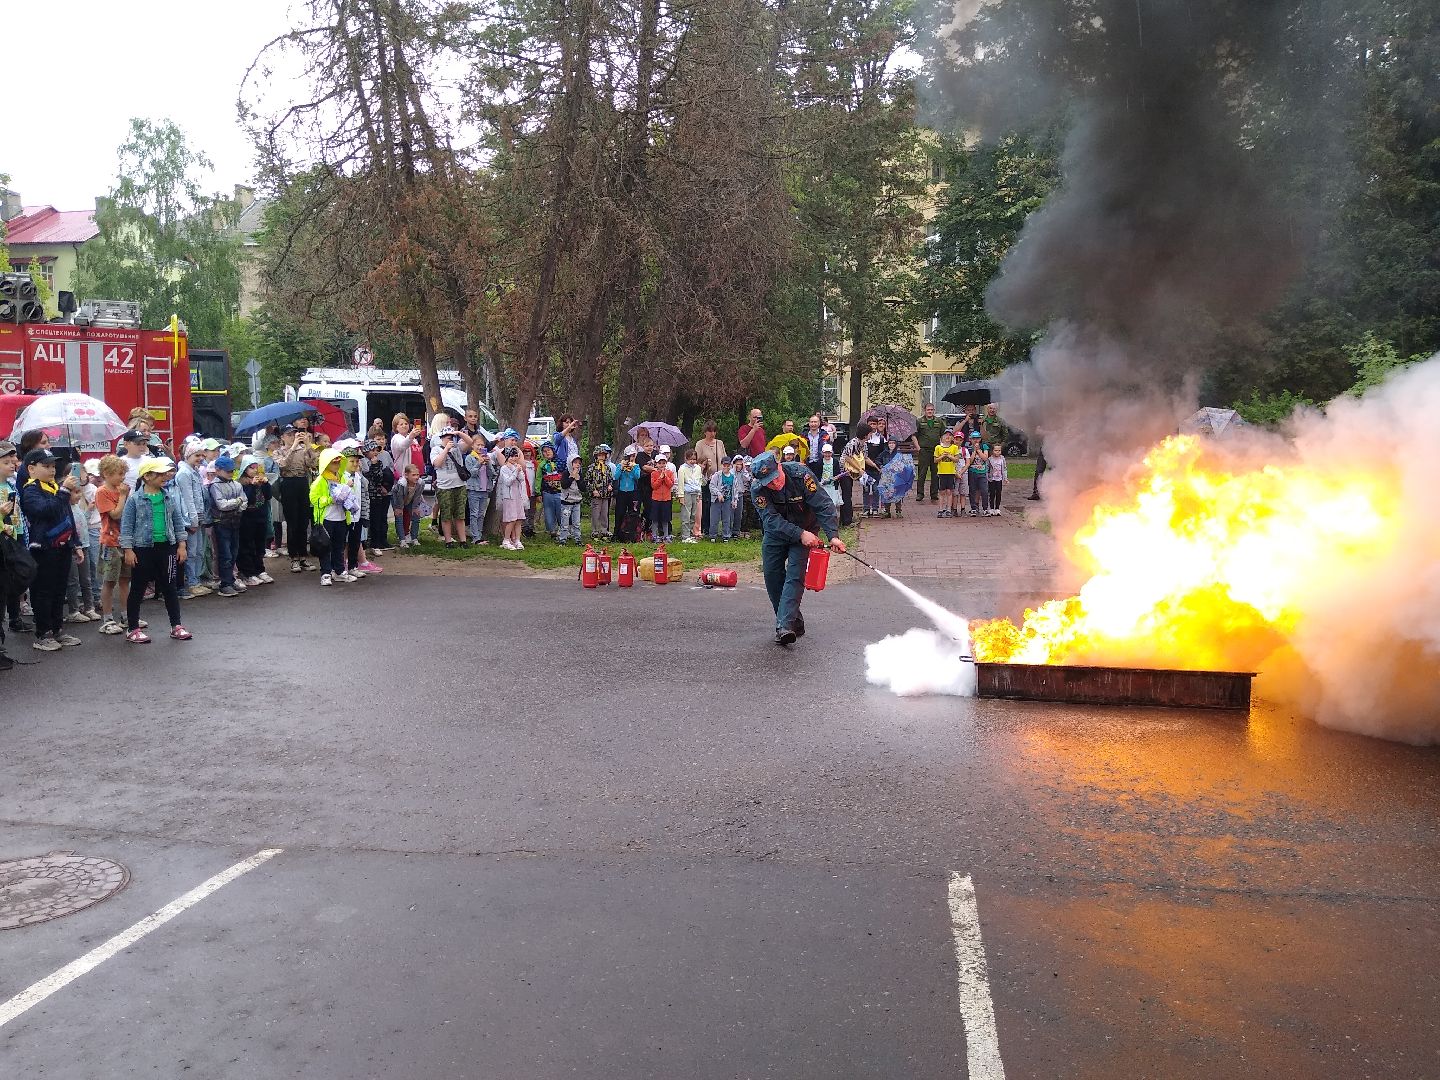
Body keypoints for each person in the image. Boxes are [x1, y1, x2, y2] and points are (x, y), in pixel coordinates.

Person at [747, 450, 845, 646]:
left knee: (794, 576)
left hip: (807, 528)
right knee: (772, 577)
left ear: (780, 466)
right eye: (769, 482)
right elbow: (771, 520)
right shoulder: (758, 488)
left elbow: (823, 504)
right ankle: (794, 622)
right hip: (777, 533)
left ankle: (784, 626)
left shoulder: (801, 475)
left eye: (775, 478)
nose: (774, 484)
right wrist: (799, 534)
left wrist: (832, 536)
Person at [19, 448, 85, 652]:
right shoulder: (30, 490)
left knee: (59, 590)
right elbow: (44, 511)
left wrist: (76, 543)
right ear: (31, 469)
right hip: (44, 548)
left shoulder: (56, 487)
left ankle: (57, 629)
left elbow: (68, 517)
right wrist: (64, 492)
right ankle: (42, 633)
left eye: (53, 466)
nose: (51, 470)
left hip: (63, 547)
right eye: (45, 466)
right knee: (44, 592)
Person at [119, 458, 191, 644]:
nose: (164, 476)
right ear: (147, 476)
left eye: (165, 473)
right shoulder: (135, 499)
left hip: (166, 547)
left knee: (170, 587)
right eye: (159, 474)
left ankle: (176, 625)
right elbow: (126, 527)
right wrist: (128, 550)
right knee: (138, 588)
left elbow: (178, 523)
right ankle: (133, 628)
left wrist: (181, 545)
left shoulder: (168, 497)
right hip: (142, 549)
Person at [93, 455, 133, 633]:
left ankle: (127, 615)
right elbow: (115, 515)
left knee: (126, 580)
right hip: (110, 542)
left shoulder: (121, 490)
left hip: (124, 541)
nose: (122, 478)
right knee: (109, 581)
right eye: (119, 474)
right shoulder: (102, 492)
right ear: (106, 474)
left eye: (124, 474)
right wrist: (123, 496)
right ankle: (108, 619)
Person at [274, 422, 318, 573]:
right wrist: (292, 448)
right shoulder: (279, 451)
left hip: (302, 482)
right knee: (292, 522)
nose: (293, 436)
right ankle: (294, 557)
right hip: (288, 483)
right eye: (289, 434)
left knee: (303, 521)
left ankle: (303, 555)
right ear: (282, 437)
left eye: (294, 434)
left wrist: (308, 445)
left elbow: (314, 463)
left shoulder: (303, 449)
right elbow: (282, 465)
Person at [310, 447, 354, 586]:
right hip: (326, 518)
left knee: (339, 546)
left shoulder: (342, 478)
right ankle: (326, 573)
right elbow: (313, 499)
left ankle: (339, 571)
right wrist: (330, 499)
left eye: (338, 462)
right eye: (334, 463)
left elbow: (347, 495)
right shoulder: (320, 481)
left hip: (341, 517)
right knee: (325, 547)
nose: (337, 465)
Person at [64, 459, 101, 622]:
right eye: (75, 493)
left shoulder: (79, 505)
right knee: (73, 580)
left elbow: (83, 522)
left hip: (84, 544)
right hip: (72, 547)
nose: (78, 496)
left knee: (86, 578)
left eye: (79, 493)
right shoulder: (64, 507)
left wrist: (89, 509)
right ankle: (74, 609)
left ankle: (90, 607)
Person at [175, 444, 212, 598]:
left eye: (202, 455)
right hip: (191, 518)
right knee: (192, 552)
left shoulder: (193, 472)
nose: (200, 459)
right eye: (197, 455)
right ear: (188, 455)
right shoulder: (184, 473)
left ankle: (195, 580)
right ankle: (192, 582)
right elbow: (187, 498)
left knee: (198, 551)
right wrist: (193, 520)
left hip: (198, 516)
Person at [208, 455, 247, 597]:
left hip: (235, 522)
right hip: (221, 523)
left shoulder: (236, 484)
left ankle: (230, 579)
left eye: (232, 471)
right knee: (225, 554)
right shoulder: (214, 486)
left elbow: (245, 501)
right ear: (217, 470)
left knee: (234, 552)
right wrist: (237, 502)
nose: (231, 473)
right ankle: (225, 583)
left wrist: (238, 504)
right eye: (228, 471)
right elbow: (222, 505)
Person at [431, 427, 473, 547]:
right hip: (444, 487)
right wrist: (446, 450)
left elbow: (470, 442)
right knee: (446, 515)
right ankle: (448, 541)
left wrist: (459, 433)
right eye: (449, 437)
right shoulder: (436, 449)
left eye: (453, 437)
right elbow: (437, 463)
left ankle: (463, 540)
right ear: (442, 438)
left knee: (460, 515)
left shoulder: (458, 448)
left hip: (460, 485)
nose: (451, 439)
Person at [0, 441, 22, 670]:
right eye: (5, 462)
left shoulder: (10, 487)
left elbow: (15, 519)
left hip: (9, 546)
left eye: (12, 461)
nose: (12, 465)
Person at [236, 457, 274, 585]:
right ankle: (248, 572)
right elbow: (248, 499)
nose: (255, 470)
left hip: (261, 516)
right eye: (251, 468)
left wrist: (266, 484)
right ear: (245, 469)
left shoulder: (261, 480)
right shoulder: (241, 483)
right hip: (247, 518)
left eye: (256, 467)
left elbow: (268, 496)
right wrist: (252, 485)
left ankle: (260, 569)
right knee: (248, 545)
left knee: (260, 545)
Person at [694, 422, 726, 536]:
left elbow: (724, 458)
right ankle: (705, 527)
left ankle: (716, 527)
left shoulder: (719, 443)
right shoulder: (700, 444)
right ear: (705, 432)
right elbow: (696, 460)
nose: (712, 433)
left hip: (719, 478)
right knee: (706, 503)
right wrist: (706, 466)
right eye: (710, 431)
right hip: (706, 478)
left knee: (717, 504)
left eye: (714, 431)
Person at [364, 439, 396, 551]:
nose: (375, 452)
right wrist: (372, 466)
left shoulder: (379, 462)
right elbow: (367, 478)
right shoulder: (362, 462)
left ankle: (380, 541)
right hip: (367, 495)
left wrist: (375, 465)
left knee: (380, 518)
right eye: (372, 450)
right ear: (366, 451)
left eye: (376, 450)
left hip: (377, 495)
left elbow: (378, 478)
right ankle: (372, 542)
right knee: (371, 519)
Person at [496, 447, 528, 550]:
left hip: (517, 496)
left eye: (515, 456)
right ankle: (506, 539)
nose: (514, 458)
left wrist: (518, 470)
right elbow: (508, 482)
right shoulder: (504, 468)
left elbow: (522, 479)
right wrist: (515, 472)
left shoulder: (516, 467)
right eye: (511, 456)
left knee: (519, 519)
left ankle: (517, 540)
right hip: (509, 497)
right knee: (511, 519)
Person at [463, 433, 492, 546]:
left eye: (482, 445)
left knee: (481, 514)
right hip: (474, 489)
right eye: (478, 445)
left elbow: (492, 474)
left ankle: (479, 535)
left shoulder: (486, 457)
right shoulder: (470, 458)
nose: (480, 447)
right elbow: (472, 473)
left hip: (485, 490)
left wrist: (488, 464)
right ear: (472, 445)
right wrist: (479, 464)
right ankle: (475, 537)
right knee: (474, 514)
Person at [914, 403, 945, 504]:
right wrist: (918, 448)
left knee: (935, 473)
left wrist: (942, 447)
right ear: (925, 411)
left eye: (931, 410)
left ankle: (934, 493)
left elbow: (943, 435)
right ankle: (920, 493)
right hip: (924, 450)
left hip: (936, 450)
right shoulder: (919, 421)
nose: (930, 411)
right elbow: (914, 435)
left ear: (934, 410)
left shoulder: (939, 421)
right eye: (928, 410)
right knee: (922, 472)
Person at [586, 445, 615, 542]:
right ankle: (594, 532)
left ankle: (604, 531)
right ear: (596, 456)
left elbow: (611, 479)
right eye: (599, 455)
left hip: (606, 495)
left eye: (603, 455)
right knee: (596, 514)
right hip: (596, 495)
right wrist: (593, 490)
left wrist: (610, 485)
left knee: (604, 513)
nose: (601, 457)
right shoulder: (592, 467)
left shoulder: (607, 468)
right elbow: (588, 481)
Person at [677, 449, 705, 543]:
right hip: (686, 493)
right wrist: (681, 496)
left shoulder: (697, 468)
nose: (692, 461)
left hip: (695, 493)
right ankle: (685, 536)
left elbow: (699, 481)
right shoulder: (682, 469)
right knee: (686, 514)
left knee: (693, 514)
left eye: (694, 459)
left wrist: (699, 493)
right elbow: (680, 483)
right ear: (686, 459)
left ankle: (690, 534)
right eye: (690, 459)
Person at [613, 449, 641, 542]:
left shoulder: (636, 466)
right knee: (620, 513)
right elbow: (616, 477)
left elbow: (637, 477)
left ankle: (631, 533)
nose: (631, 458)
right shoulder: (619, 465)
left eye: (633, 456)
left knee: (632, 513)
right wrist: (621, 468)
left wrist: (633, 468)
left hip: (632, 492)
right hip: (622, 492)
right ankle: (617, 533)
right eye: (630, 456)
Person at [392, 464, 423, 547]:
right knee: (399, 517)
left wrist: (415, 507)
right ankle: (402, 540)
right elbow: (399, 496)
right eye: (413, 475)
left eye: (417, 475)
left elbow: (417, 495)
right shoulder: (402, 484)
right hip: (398, 500)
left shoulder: (420, 483)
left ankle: (414, 538)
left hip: (411, 500)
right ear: (406, 475)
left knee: (416, 516)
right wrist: (399, 508)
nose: (416, 477)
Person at [934, 428, 962, 518]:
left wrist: (949, 456)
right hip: (942, 472)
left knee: (949, 491)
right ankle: (940, 509)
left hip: (950, 472)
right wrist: (942, 456)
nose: (948, 437)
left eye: (950, 435)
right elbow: (935, 460)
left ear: (952, 438)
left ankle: (949, 509)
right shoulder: (938, 447)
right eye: (946, 435)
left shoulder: (954, 447)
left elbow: (957, 459)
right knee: (942, 491)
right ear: (941, 437)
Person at [708, 455, 737, 541]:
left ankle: (726, 535)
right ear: (721, 465)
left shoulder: (733, 477)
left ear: (731, 466)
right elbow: (712, 486)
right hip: (716, 500)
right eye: (724, 465)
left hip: (727, 501)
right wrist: (718, 494)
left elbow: (735, 490)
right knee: (714, 518)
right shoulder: (717, 475)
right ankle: (713, 535)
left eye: (728, 465)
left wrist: (734, 500)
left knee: (727, 519)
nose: (726, 467)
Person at [648, 450, 675, 542]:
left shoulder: (670, 473)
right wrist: (660, 478)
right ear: (656, 464)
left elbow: (670, 484)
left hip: (666, 499)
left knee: (665, 519)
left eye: (663, 463)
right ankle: (654, 535)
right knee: (655, 518)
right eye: (660, 463)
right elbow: (654, 486)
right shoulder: (653, 473)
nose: (662, 465)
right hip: (656, 498)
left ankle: (666, 535)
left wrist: (665, 477)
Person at [557, 455, 585, 544]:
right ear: (570, 463)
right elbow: (564, 485)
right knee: (565, 522)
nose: (577, 465)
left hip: (576, 502)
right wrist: (572, 477)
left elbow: (583, 488)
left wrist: (578, 480)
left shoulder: (580, 474)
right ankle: (562, 539)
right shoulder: (566, 473)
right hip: (566, 502)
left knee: (576, 522)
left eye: (579, 463)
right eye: (575, 463)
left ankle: (578, 539)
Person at [965, 434, 989, 517]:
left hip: (982, 472)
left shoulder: (984, 446)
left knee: (984, 490)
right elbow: (970, 461)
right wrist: (974, 451)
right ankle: (974, 508)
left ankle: (985, 508)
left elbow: (985, 458)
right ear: (970, 439)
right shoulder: (968, 448)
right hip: (972, 472)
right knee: (972, 490)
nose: (976, 440)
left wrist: (978, 450)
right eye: (974, 438)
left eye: (977, 438)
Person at [986, 443, 1008, 516]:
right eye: (996, 450)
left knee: (998, 493)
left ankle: (997, 508)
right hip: (992, 479)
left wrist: (1005, 478)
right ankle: (991, 508)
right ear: (992, 451)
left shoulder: (1002, 458)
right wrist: (987, 478)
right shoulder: (989, 459)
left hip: (999, 479)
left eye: (999, 450)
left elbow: (1004, 468)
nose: (997, 452)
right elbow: (987, 469)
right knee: (992, 494)